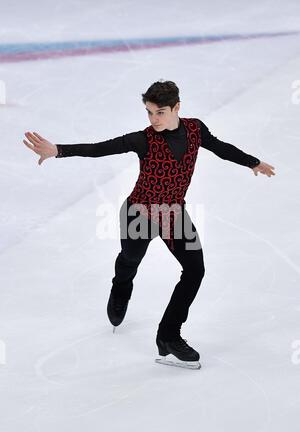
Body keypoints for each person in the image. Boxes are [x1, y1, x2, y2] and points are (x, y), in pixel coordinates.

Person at [23, 80, 276, 369]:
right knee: (130, 260)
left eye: (160, 112)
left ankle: (168, 335)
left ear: (177, 108)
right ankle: (121, 287)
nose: (153, 119)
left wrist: (252, 162)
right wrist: (58, 150)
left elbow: (220, 147)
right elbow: (100, 148)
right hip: (139, 214)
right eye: (149, 112)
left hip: (173, 214)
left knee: (195, 270)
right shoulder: (143, 139)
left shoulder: (195, 130)